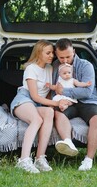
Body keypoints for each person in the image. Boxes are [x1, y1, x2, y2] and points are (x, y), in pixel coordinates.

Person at [10, 39, 70, 174]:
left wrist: (57, 104)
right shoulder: (31, 68)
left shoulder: (50, 68)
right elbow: (35, 96)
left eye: (52, 53)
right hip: (24, 99)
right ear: (38, 53)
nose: (51, 56)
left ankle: (40, 158)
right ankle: (24, 160)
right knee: (37, 120)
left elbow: (47, 94)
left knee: (49, 113)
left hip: (37, 103)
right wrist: (57, 103)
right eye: (48, 53)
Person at [52, 38, 97, 171]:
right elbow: (54, 88)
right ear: (56, 54)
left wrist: (64, 91)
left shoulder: (86, 65)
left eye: (68, 56)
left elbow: (87, 92)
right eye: (61, 57)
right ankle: (68, 142)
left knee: (95, 119)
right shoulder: (55, 66)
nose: (65, 60)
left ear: (74, 52)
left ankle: (88, 160)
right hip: (66, 101)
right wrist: (58, 99)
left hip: (88, 101)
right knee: (57, 113)